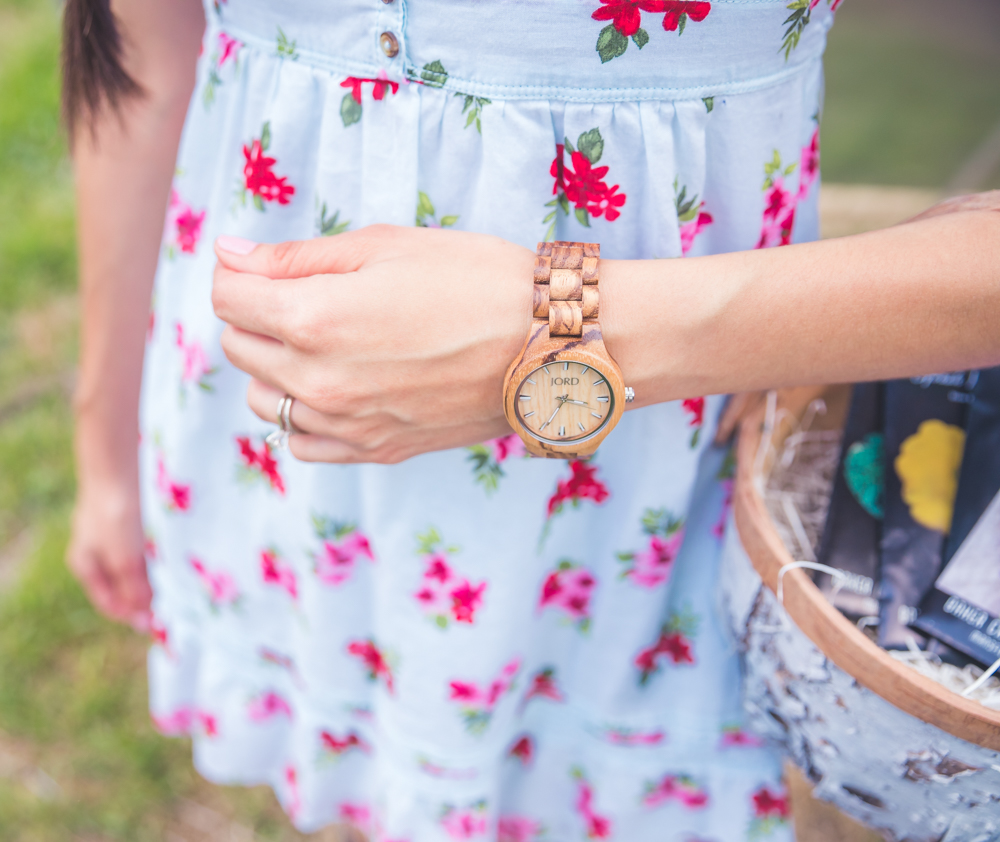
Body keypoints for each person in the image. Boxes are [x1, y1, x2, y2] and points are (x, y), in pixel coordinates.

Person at [65, 0, 1000, 838]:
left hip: (649, 487)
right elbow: (142, 60)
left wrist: (564, 329)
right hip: (279, 440)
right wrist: (103, 441)